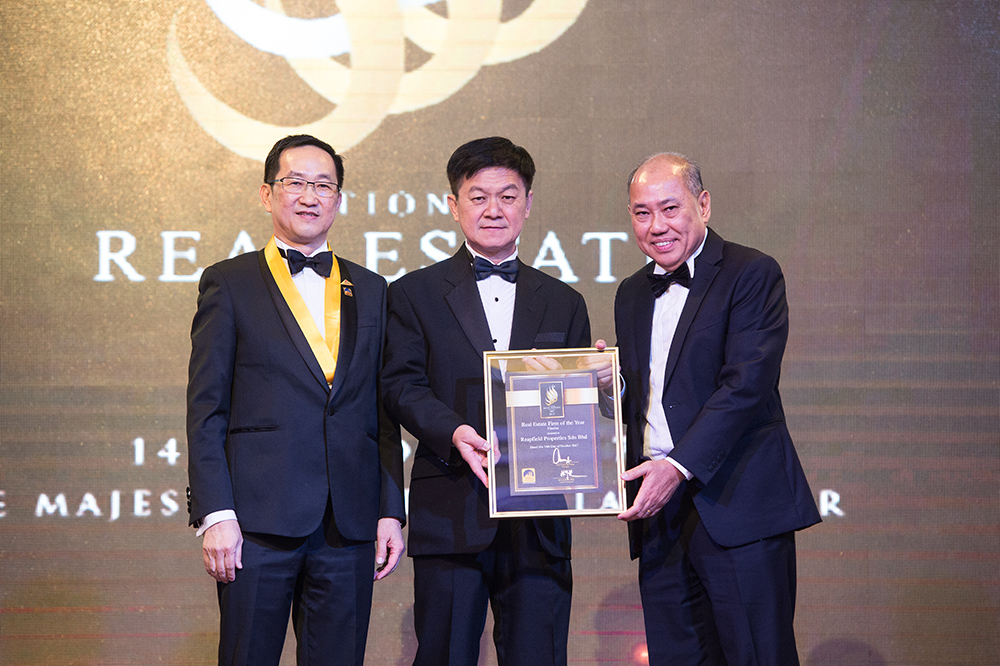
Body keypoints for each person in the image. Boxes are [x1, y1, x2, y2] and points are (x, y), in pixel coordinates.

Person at [186, 134, 405, 665]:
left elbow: (382, 411)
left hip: (348, 525)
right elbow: (206, 408)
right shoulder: (229, 282)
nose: (310, 196)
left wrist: (389, 511)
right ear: (267, 194)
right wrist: (215, 513)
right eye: (296, 183)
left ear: (338, 199)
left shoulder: (372, 288)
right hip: (257, 523)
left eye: (324, 185)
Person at [381, 136, 590, 666]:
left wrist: (600, 388)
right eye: (478, 197)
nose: (493, 210)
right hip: (450, 510)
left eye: (508, 196)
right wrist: (453, 432)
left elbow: (573, 412)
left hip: (539, 522)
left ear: (528, 203)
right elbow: (400, 385)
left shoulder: (565, 303)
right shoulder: (412, 294)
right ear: (453, 206)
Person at [611, 152, 821, 665]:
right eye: (642, 213)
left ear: (703, 204)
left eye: (670, 208)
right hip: (659, 514)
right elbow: (654, 396)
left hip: (737, 505)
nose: (656, 226)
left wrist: (677, 467)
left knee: (755, 655)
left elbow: (745, 386)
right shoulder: (631, 294)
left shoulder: (751, 273)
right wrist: (604, 388)